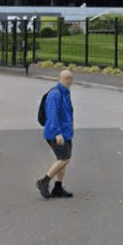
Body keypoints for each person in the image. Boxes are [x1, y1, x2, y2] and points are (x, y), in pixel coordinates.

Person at [36, 68, 75, 199]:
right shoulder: (55, 94)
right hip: (56, 134)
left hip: (66, 133)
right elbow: (52, 115)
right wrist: (57, 133)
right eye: (68, 79)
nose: (70, 81)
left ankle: (58, 188)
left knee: (63, 160)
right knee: (64, 158)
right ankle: (44, 181)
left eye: (71, 79)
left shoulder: (65, 93)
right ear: (62, 78)